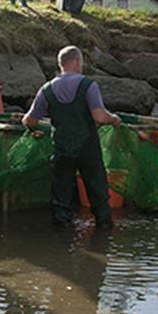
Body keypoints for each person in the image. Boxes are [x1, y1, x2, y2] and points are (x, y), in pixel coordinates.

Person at [23, 46, 123, 227]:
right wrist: (114, 118)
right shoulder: (88, 85)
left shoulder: (46, 90)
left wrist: (31, 127)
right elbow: (99, 116)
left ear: (60, 64)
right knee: (98, 194)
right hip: (88, 149)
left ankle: (61, 240)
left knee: (61, 197)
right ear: (77, 62)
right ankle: (104, 233)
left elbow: (30, 120)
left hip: (62, 150)